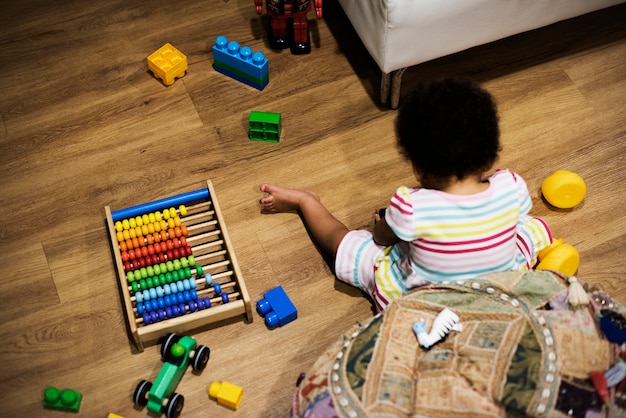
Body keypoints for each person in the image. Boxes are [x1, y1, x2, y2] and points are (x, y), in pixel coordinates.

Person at [259, 78, 552, 312]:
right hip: (496, 294)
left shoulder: (411, 205)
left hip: (426, 307)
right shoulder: (511, 185)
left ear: (417, 168)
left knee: (355, 247)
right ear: (490, 156)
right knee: (527, 227)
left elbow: (380, 238)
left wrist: (384, 224)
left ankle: (305, 202)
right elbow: (515, 214)